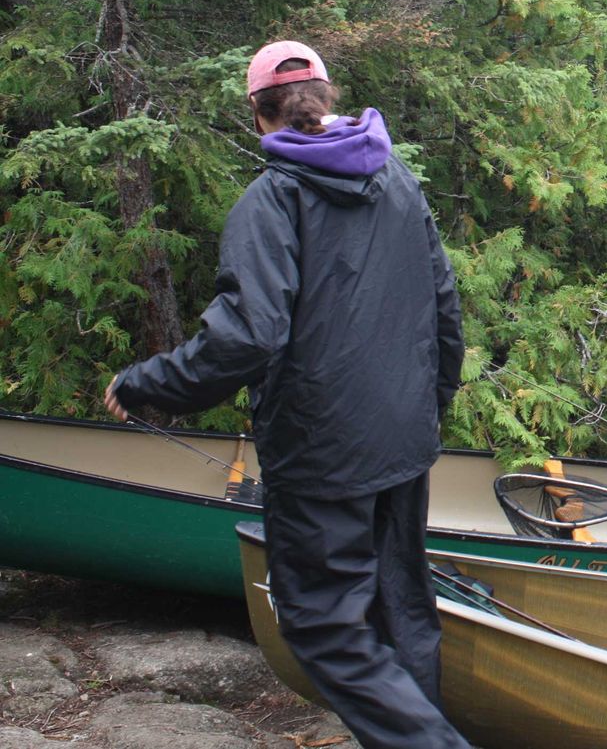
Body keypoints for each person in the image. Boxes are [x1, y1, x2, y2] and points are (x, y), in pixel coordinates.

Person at [103, 40, 471, 749]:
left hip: (322, 451)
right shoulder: (397, 179)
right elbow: (444, 305)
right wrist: (430, 405)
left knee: (322, 621)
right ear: (327, 97)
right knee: (400, 610)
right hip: (402, 438)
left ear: (257, 114)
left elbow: (246, 336)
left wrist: (146, 382)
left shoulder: (272, 200)